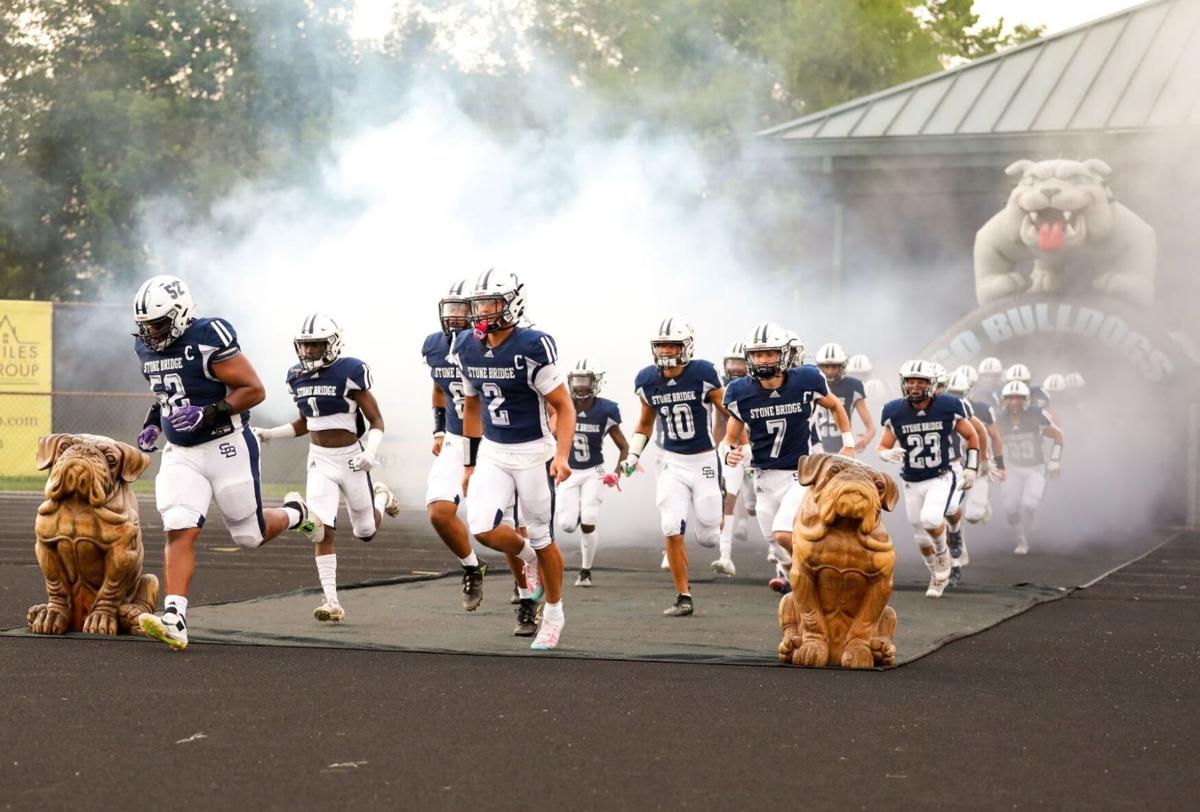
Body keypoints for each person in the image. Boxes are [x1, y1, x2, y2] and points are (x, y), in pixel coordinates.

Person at [131, 275, 323, 651]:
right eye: (145, 326)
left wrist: (209, 412)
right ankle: (175, 616)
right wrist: (153, 424)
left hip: (227, 445)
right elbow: (167, 393)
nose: (151, 333)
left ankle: (296, 512)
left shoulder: (208, 336)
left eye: (158, 324)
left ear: (181, 314)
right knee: (178, 524)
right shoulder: (145, 347)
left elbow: (254, 390)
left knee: (249, 536)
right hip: (182, 453)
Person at [252, 314, 400, 622]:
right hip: (319, 460)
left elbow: (376, 422)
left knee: (366, 532)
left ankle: (382, 497)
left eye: (316, 346)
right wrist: (269, 434)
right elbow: (306, 423)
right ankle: (331, 601)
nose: (309, 353)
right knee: (321, 532)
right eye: (305, 347)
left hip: (352, 459)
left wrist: (370, 452)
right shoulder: (296, 375)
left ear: (332, 344)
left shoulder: (350, 371)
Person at [455, 269, 575, 649]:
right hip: (493, 449)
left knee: (542, 536)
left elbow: (564, 406)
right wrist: (469, 462)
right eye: (478, 304)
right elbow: (472, 406)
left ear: (511, 303)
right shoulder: (467, 346)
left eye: (490, 303)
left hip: (534, 452)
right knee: (482, 527)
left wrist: (562, 454)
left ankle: (554, 614)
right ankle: (529, 559)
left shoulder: (533, 345)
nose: (482, 312)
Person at [722, 323, 855, 594]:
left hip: (798, 473)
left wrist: (849, 443)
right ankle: (803, 582)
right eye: (757, 354)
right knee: (776, 544)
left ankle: (824, 571)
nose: (762, 360)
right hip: (762, 477)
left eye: (769, 353)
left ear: (783, 354)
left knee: (784, 534)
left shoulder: (805, 380)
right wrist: (728, 453)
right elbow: (729, 439)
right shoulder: (740, 391)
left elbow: (836, 405)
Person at [623, 317, 727, 617]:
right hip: (673, 462)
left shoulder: (704, 373)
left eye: (673, 345)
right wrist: (632, 456)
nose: (666, 351)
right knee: (670, 526)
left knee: (708, 537)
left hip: (705, 460)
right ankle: (683, 595)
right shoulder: (647, 379)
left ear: (686, 347)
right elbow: (644, 423)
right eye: (662, 345)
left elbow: (727, 411)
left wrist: (737, 443)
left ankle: (714, 533)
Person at [877, 360, 980, 598]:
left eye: (920, 382)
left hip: (941, 475)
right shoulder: (895, 411)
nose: (914, 386)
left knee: (931, 519)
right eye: (911, 381)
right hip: (911, 480)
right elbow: (883, 444)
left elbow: (972, 435)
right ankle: (935, 573)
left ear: (932, 384)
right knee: (921, 537)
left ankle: (943, 557)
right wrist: (884, 453)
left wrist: (972, 468)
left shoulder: (948, 406)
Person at [421, 280, 491, 611]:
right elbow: (439, 388)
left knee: (497, 524)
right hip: (454, 437)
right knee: (439, 512)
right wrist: (437, 431)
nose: (454, 317)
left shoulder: (494, 344)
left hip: (497, 440)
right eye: (450, 309)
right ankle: (472, 567)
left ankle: (528, 587)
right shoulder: (434, 345)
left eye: (462, 310)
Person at [556, 359, 628, 586]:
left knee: (589, 518)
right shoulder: (562, 405)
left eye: (585, 381)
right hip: (569, 470)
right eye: (576, 380)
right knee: (567, 525)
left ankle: (585, 571)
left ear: (596, 382)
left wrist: (617, 473)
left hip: (594, 470)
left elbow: (624, 447)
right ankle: (576, 510)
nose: (579, 386)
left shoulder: (606, 410)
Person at [997, 380, 1064, 555]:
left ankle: (1031, 513)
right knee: (1010, 506)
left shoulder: (1036, 416)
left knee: (1028, 503)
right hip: (1012, 468)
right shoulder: (999, 420)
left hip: (1035, 467)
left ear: (1026, 400)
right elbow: (989, 441)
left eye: (1018, 398)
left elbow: (1058, 435)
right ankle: (1021, 540)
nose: (1013, 402)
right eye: (1010, 398)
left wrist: (1054, 462)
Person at [712, 340, 753, 576]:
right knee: (728, 498)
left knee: (758, 505)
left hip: (762, 449)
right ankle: (725, 556)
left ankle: (779, 556)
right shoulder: (720, 389)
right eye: (733, 362)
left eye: (741, 362)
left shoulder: (759, 385)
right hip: (735, 448)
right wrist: (721, 450)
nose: (736, 368)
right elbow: (719, 424)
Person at [814, 342, 875, 454]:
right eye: (826, 366)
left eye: (834, 366)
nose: (830, 371)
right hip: (817, 449)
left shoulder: (853, 386)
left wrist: (865, 440)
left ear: (842, 366)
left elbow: (871, 428)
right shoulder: (812, 384)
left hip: (843, 449)